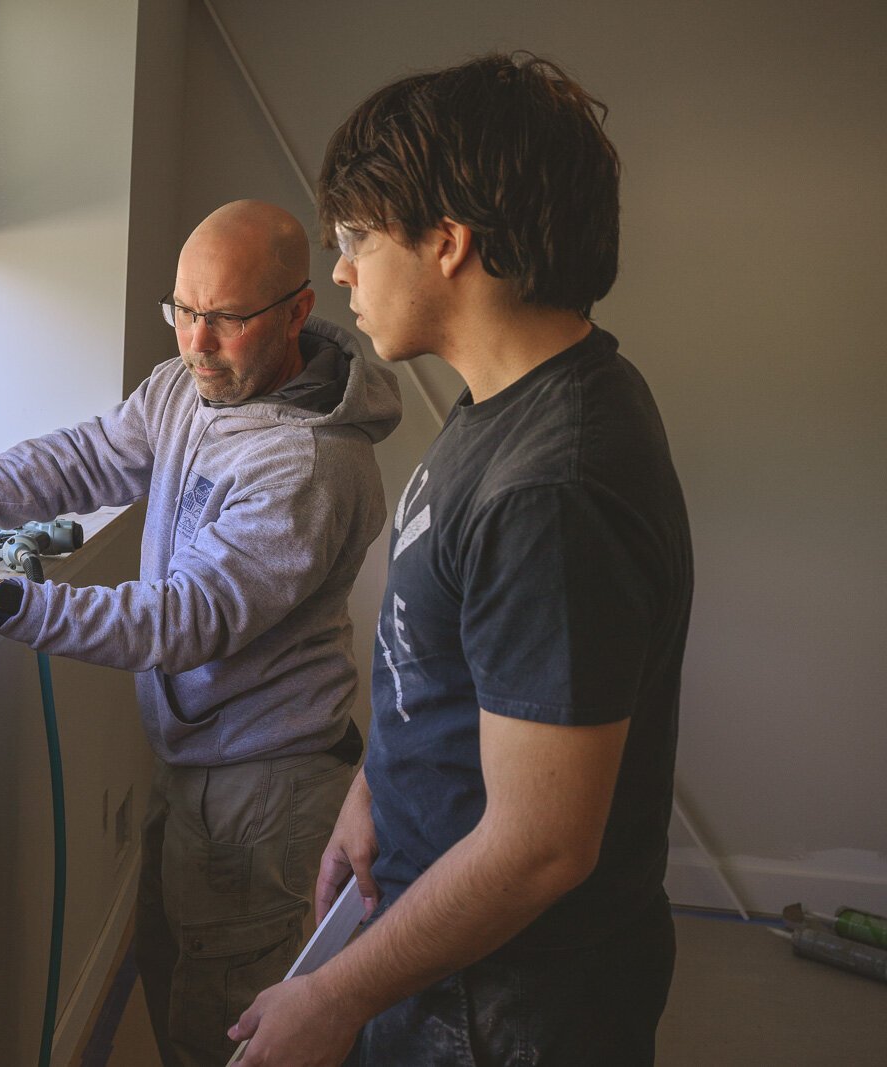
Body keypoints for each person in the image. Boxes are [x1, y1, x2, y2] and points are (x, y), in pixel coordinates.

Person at [227, 54, 693, 1066]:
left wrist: (334, 995)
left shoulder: (553, 483)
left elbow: (540, 843)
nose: (339, 269)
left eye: (355, 237)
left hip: (503, 1008)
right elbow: (436, 661)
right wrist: (371, 802)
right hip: (438, 947)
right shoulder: (500, 407)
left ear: (448, 240)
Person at [0, 199, 401, 1067]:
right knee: (174, 973)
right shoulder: (186, 385)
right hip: (198, 762)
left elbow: (187, 617)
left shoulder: (309, 462)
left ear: (298, 312)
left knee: (228, 1024)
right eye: (184, 312)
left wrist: (4, 602)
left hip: (265, 785)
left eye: (226, 320)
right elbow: (88, 456)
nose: (197, 342)